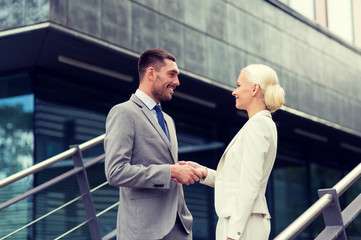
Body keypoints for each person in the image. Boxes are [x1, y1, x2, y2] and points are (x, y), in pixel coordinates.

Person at [104, 48, 202, 240]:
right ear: (151, 73)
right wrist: (170, 172)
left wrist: (181, 170)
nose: (177, 82)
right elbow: (115, 172)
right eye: (171, 74)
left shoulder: (168, 120)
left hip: (179, 227)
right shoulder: (124, 113)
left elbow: (163, 162)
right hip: (144, 231)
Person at [185, 64, 285, 240]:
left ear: (254, 89)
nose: (234, 92)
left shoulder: (258, 125)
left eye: (239, 85)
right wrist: (204, 173)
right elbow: (238, 180)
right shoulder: (258, 124)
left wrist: (234, 233)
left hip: (243, 224)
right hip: (242, 220)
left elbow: (250, 182)